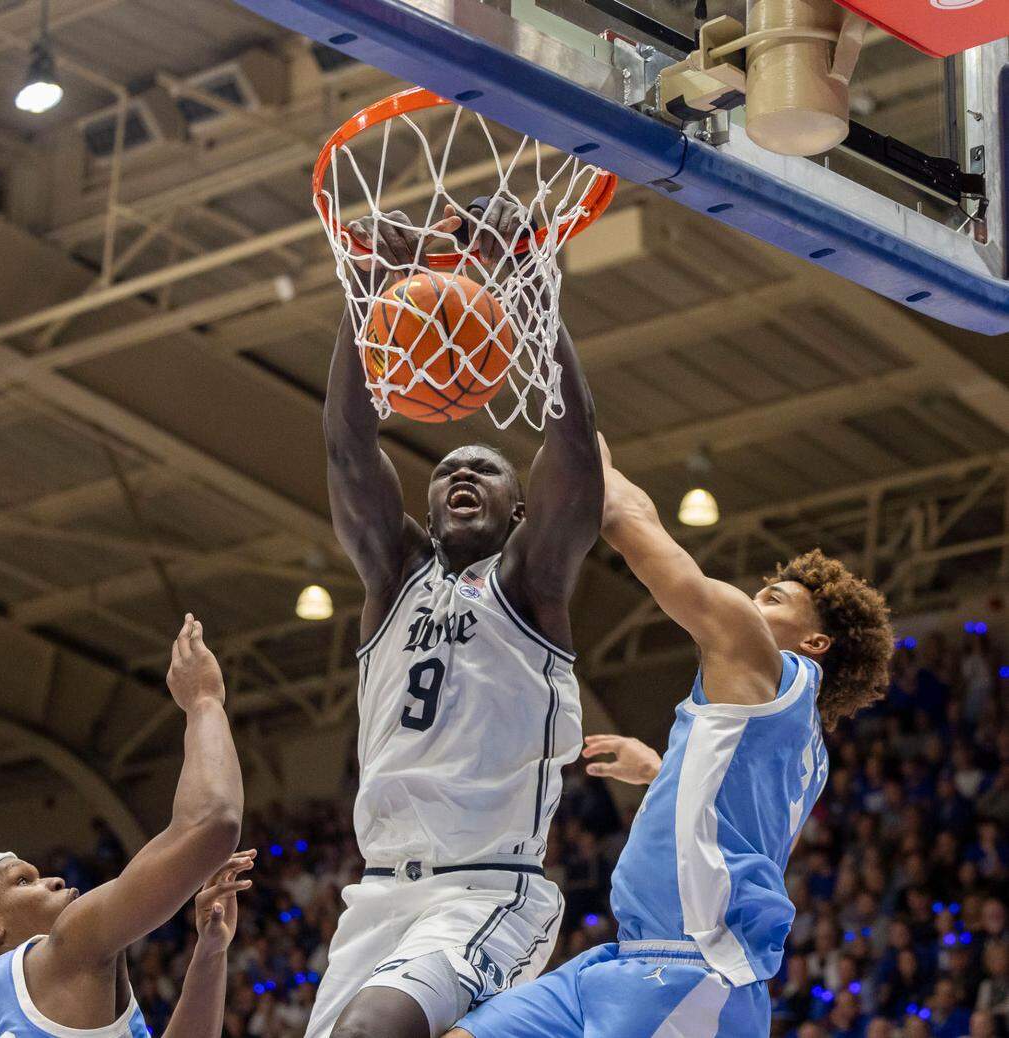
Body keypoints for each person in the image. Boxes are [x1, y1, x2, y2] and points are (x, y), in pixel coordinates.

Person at [443, 435, 894, 1038]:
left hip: (697, 972)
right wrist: (661, 772)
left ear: (816, 644)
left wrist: (582, 438)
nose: (752, 599)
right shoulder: (796, 741)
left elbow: (630, 520)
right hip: (622, 959)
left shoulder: (756, 652)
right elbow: (734, 819)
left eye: (775, 597)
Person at [312, 199, 603, 1038]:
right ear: (428, 509)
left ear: (519, 513)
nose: (461, 473)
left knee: (376, 1030)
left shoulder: (529, 586)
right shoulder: (395, 574)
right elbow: (346, 443)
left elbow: (576, 454)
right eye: (445, 471)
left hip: (485, 887)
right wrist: (368, 293)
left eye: (485, 468)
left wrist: (526, 286)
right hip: (376, 896)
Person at [0, 615, 251, 1038]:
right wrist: (204, 701)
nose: (52, 880)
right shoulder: (67, 947)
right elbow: (213, 823)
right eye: (23, 881)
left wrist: (209, 954)